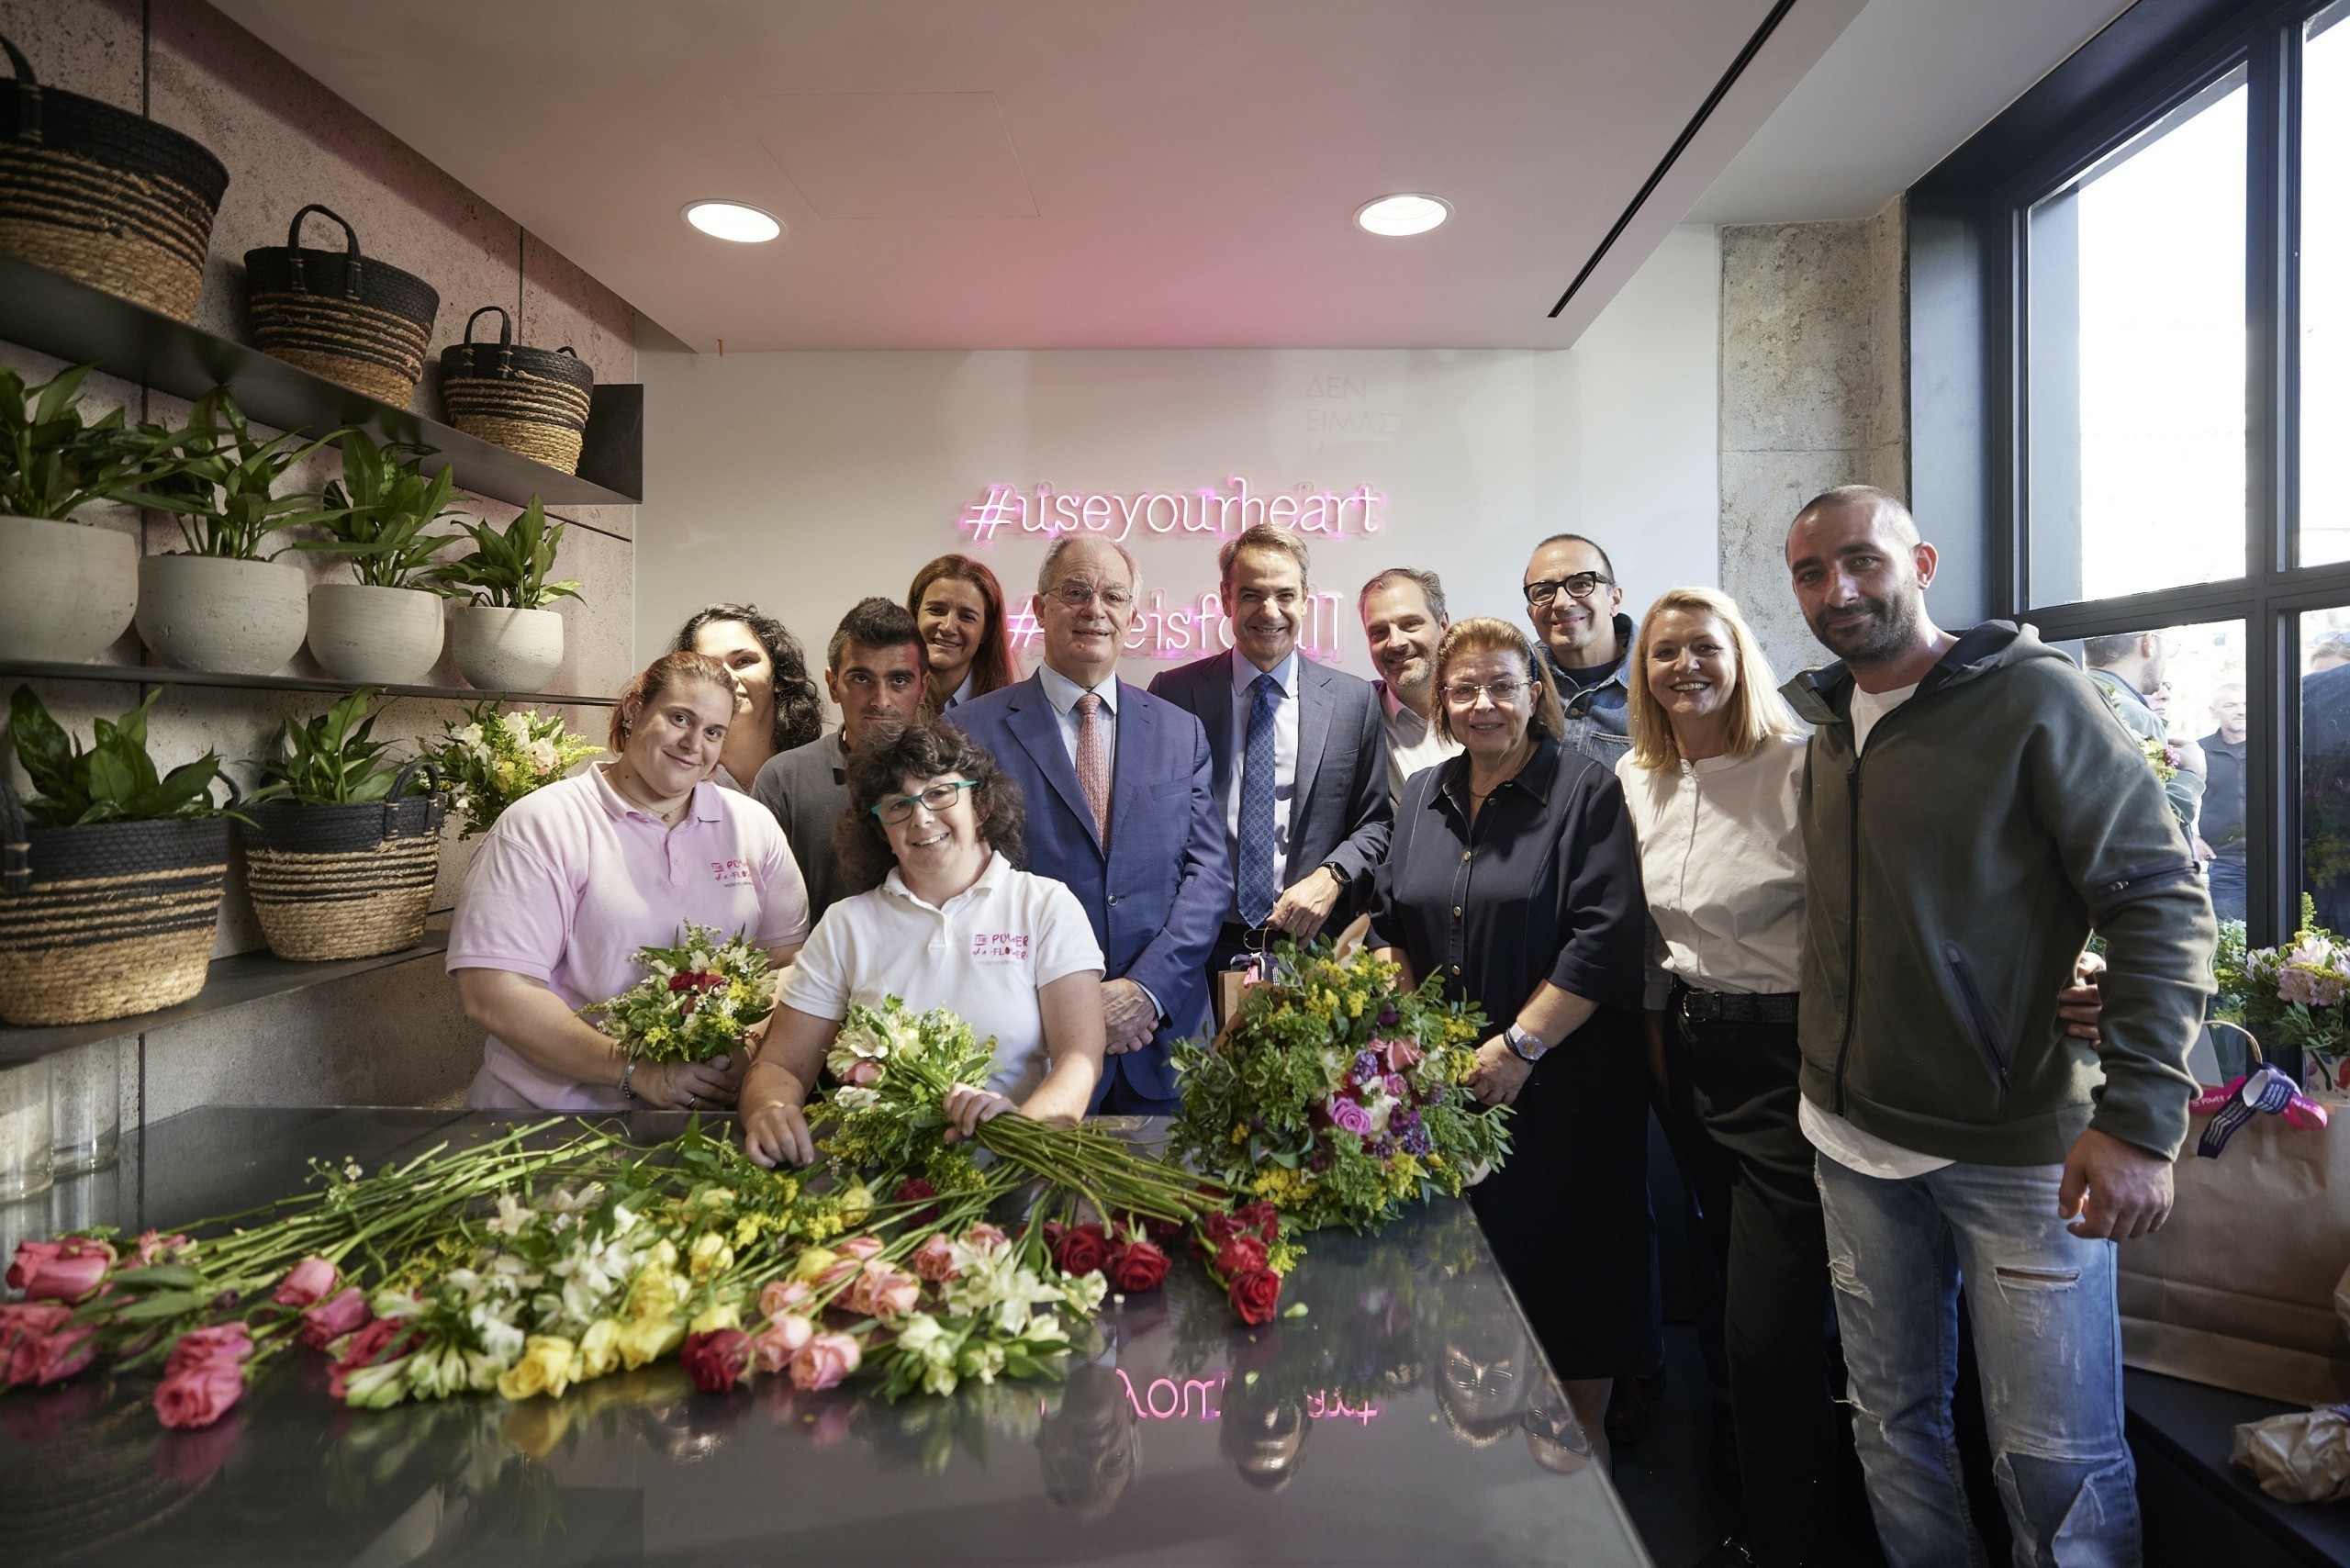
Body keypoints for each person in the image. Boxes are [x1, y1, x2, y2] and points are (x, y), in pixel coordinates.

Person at [1779, 485, 2211, 1568]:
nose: (1837, 589)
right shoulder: (1826, 728)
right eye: (1810, 572)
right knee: (1889, 1426)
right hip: (1850, 1143)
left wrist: (2140, 1119)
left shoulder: (2034, 698)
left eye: (1861, 559)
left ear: (1920, 563)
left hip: (2018, 1153)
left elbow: (2158, 898)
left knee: (2055, 1461)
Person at [1366, 615, 1653, 1469]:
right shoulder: (1423, 793)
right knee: (1464, 1281)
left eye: (1502, 685)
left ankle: (1577, 1465)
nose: (1483, 703)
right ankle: (1471, 1469)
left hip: (1564, 1087)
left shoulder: (1586, 790)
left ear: (1535, 694)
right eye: (1464, 690)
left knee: (1573, 1286)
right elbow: (1391, 926)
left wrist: (1518, 1048)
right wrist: (1415, 1040)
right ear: (1442, 703)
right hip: (1449, 1092)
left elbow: (1603, 939)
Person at [1617, 587, 1864, 1566]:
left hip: (1787, 1055)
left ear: (1739, 656)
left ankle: (1795, 1534)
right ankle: (1748, 1502)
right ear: (1644, 672)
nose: (1684, 665)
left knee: (1772, 1324)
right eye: (1664, 650)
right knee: (1723, 1286)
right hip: (1689, 1055)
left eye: (1703, 647)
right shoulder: (1637, 777)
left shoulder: (1801, 766)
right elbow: (1645, 945)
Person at [448, 650, 810, 1111]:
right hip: (546, 1120)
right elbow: (495, 992)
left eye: (713, 732)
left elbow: (786, 962)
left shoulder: (751, 825)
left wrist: (751, 1044)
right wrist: (633, 1069)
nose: (693, 743)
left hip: (692, 1121)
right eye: (680, 718)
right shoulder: (542, 824)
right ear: (635, 709)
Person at [739, 721, 1107, 1169]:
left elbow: (1079, 1059)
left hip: (1017, 1168)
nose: (922, 818)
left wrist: (1024, 1138)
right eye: (898, 805)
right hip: (881, 1174)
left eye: (939, 793)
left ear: (981, 805)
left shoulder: (1045, 906)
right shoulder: (846, 925)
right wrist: (769, 1111)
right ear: (882, 831)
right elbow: (779, 1066)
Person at [947, 535, 1230, 1115]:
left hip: (1167, 1044)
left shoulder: (1181, 731)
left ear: (1133, 615)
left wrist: (1146, 990)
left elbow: (1208, 877)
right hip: (1032, 1046)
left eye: (1113, 596)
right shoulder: (969, 733)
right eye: (1075, 592)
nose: (1094, 610)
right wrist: (1071, 1005)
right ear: (1039, 608)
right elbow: (961, 887)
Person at [1150, 523, 1391, 985]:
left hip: (1313, 952)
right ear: (1226, 599)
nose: (1269, 611)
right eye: (1251, 595)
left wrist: (1333, 876)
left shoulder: (1354, 701)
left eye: (1285, 595)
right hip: (1196, 951)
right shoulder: (1173, 694)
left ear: (1306, 599)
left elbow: (1376, 823)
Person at [749, 598, 928, 924]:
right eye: (861, 679)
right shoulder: (784, 779)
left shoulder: (951, 781)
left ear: (923, 687)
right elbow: (758, 912)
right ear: (833, 685)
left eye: (899, 680)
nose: (881, 700)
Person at [672, 604, 824, 790]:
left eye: (744, 661)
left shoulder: (820, 773)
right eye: (709, 667)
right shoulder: (670, 783)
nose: (727, 678)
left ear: (778, 676)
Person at [1523, 532, 1635, 767]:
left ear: (1614, 600)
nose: (1562, 603)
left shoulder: (1661, 682)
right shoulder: (1515, 680)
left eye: (1582, 584)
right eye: (1543, 591)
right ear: (1531, 613)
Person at [1359, 566, 1461, 804]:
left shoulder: (1489, 711)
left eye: (1410, 624)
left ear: (1443, 625)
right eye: (1379, 632)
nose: (1395, 642)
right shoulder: (1355, 724)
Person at [2083, 631, 2204, 834]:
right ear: (2149, 643)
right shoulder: (2136, 715)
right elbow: (2153, 824)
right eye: (2169, 648)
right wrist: (2193, 773)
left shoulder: (2077, 695)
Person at [909, 554, 1021, 711]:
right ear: (915, 616)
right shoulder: (883, 703)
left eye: (966, 617)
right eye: (936, 610)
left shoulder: (1007, 710)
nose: (948, 627)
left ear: (986, 631)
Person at [2195, 682, 2246, 922]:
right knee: (2231, 934)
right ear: (2213, 710)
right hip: (2225, 864)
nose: (2241, 711)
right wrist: (2189, 836)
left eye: (2246, 704)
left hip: (2278, 860)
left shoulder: (2275, 747)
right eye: (2230, 705)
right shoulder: (2199, 751)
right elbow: (2171, 797)